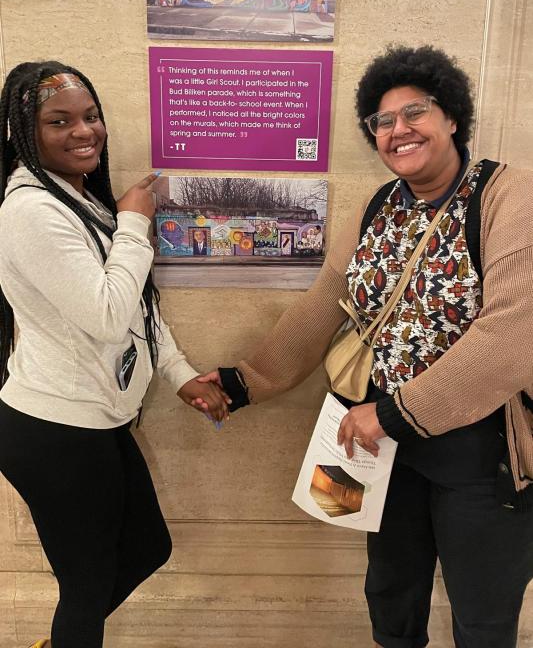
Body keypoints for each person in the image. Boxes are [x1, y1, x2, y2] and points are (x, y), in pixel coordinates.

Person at [196, 46, 533, 648]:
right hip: (378, 440)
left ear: (452, 116)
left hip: (477, 449)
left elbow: (513, 334)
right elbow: (324, 306)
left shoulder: (509, 197)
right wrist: (242, 381)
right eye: (382, 121)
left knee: (483, 609)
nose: (398, 130)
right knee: (390, 590)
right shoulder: (377, 207)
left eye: (415, 112)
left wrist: (396, 414)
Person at [0, 61, 229, 648]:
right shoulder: (29, 211)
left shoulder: (75, 198)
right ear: (23, 133)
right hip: (54, 429)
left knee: (149, 547)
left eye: (91, 116)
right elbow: (106, 316)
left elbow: (136, 311)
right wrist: (134, 223)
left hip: (95, 421)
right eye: (60, 121)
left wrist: (178, 374)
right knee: (85, 587)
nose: (85, 132)